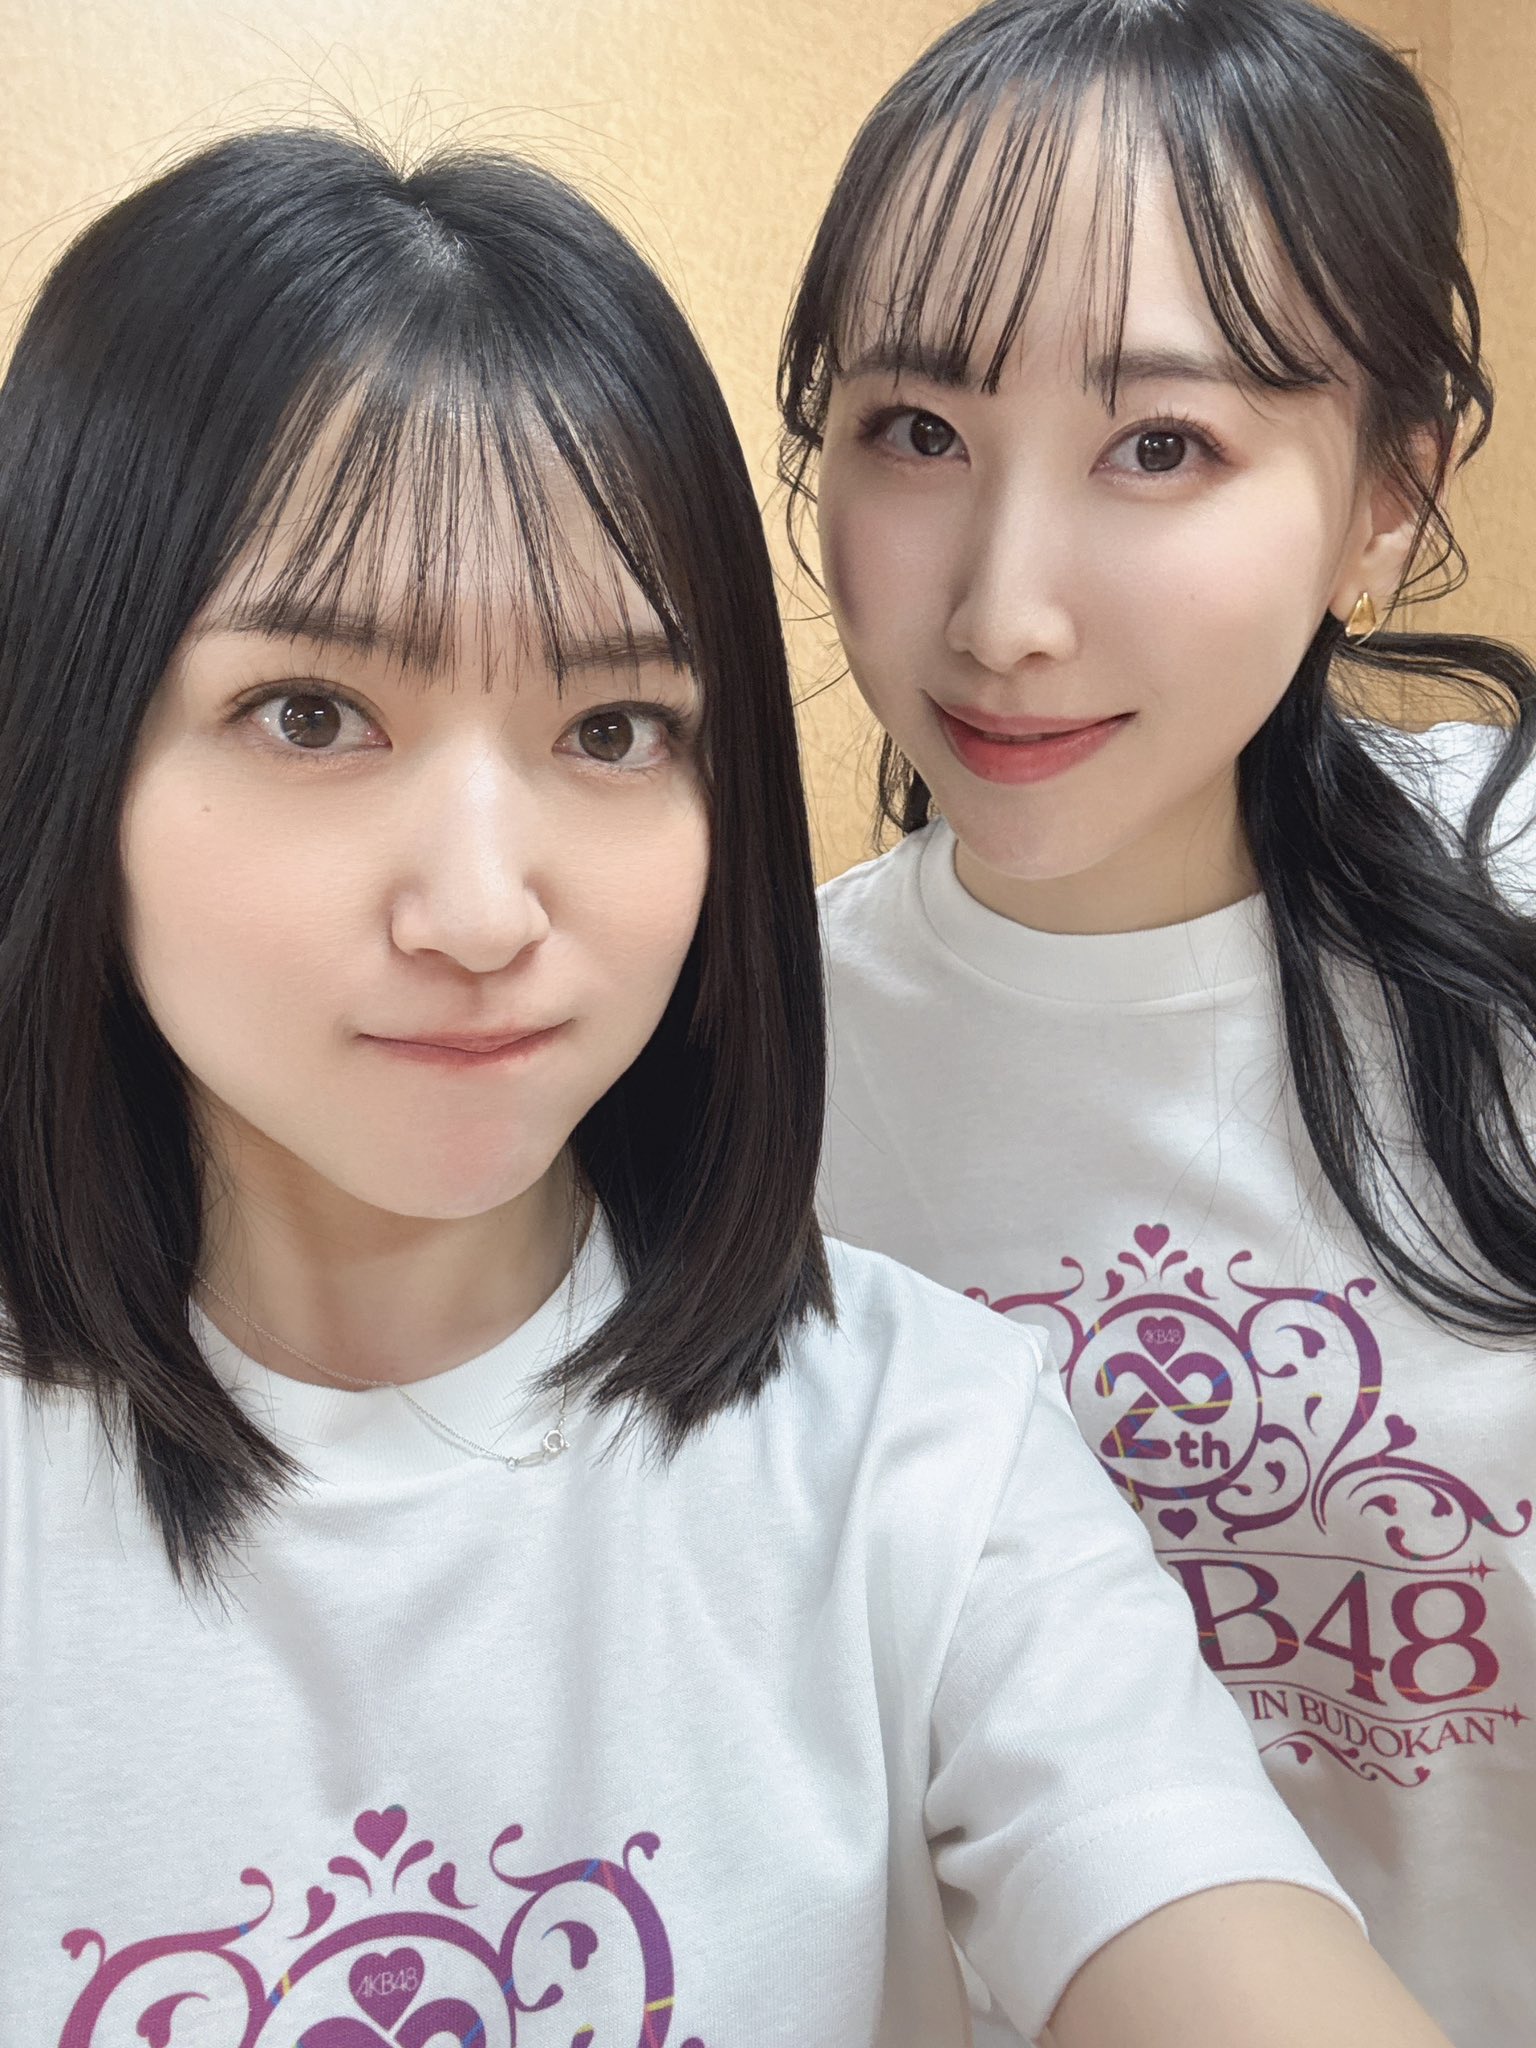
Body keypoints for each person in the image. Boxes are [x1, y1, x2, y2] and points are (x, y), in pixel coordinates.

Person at [0, 127, 1451, 2048]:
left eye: (615, 727)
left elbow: (1183, 1898)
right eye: (313, 713)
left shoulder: (922, 1452)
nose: (483, 909)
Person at [793, 1, 1536, 2042]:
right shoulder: (742, 1065)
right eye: (916, 430)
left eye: (1161, 446)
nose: (1002, 613)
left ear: (1387, 496)